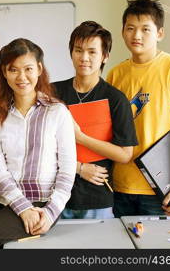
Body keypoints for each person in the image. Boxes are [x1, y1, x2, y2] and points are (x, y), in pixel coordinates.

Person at [0, 38, 77, 249]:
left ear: (39, 69)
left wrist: (51, 212)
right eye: (13, 70)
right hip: (1, 198)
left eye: (28, 69)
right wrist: (22, 208)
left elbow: (67, 169)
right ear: (5, 73)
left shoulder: (57, 112)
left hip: (42, 203)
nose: (21, 77)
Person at [106, 0, 170, 217]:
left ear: (159, 33)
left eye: (145, 29)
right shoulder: (115, 74)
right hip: (120, 187)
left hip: (161, 190)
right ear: (122, 32)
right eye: (130, 28)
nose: (136, 35)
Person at [54, 21, 137, 219]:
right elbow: (39, 146)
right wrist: (79, 168)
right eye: (78, 50)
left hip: (97, 197)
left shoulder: (115, 98)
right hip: (55, 196)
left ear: (104, 56)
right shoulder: (53, 93)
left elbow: (125, 154)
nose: (84, 58)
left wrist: (80, 137)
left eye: (92, 52)